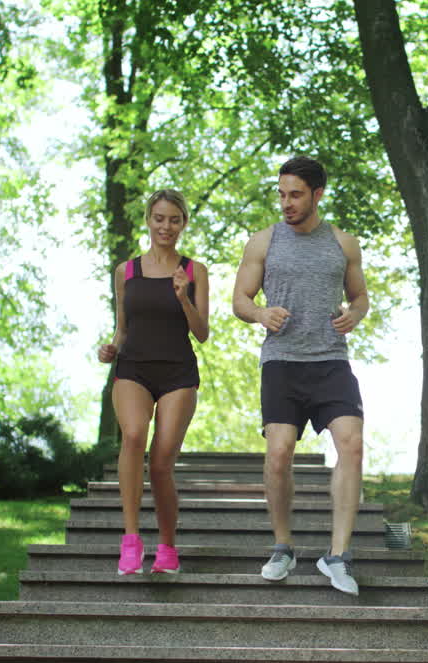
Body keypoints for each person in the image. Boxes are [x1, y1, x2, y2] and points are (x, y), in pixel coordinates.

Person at [232, 156, 368, 595]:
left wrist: (356, 315)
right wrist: (259, 312)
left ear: (317, 195)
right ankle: (283, 546)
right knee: (279, 454)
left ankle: (338, 556)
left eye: (295, 195)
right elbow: (240, 299)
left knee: (352, 443)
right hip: (282, 361)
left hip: (330, 360)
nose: (286, 203)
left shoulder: (344, 244)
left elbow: (360, 296)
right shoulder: (263, 242)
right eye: (282, 194)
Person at [98, 189, 210, 575]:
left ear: (183, 224)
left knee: (161, 464)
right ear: (149, 220)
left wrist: (183, 297)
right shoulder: (126, 271)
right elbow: (122, 329)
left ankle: (167, 547)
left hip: (178, 372)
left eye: (174, 219)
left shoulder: (194, 271)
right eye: (159, 218)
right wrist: (111, 348)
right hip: (133, 369)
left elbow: (202, 332)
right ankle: (131, 540)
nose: (166, 226)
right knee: (132, 436)